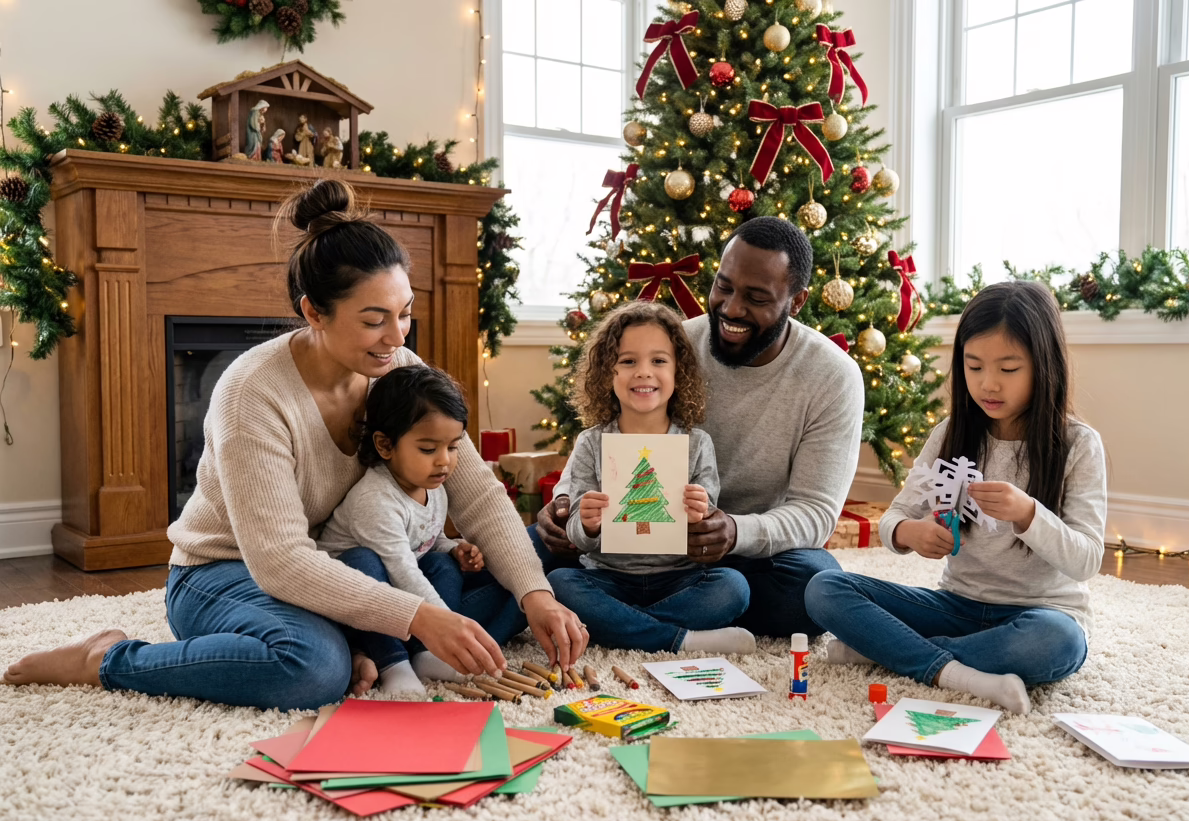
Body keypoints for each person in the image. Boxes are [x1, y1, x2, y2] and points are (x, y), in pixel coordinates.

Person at [2, 179, 587, 709]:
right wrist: (419, 616)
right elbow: (280, 560)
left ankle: (366, 640)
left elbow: (477, 492)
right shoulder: (251, 392)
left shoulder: (398, 365)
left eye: (405, 314)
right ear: (313, 311)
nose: (397, 337)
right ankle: (106, 658)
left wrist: (534, 593)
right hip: (224, 571)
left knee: (533, 581)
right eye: (374, 319)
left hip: (340, 563)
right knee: (309, 670)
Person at [535, 217, 865, 637]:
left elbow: (815, 513)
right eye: (723, 286)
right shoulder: (670, 346)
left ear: (795, 301)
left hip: (732, 552)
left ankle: (617, 617)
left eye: (756, 297)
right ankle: (678, 630)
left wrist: (732, 532)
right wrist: (565, 504)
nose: (730, 309)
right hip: (612, 548)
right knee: (524, 552)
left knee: (814, 585)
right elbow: (603, 438)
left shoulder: (832, 376)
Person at [804, 282, 1107, 714]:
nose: (989, 384)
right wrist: (910, 532)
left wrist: (1027, 514)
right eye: (974, 366)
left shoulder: (1077, 444)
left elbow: (1087, 559)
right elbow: (895, 519)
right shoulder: (951, 433)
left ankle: (894, 651)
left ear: (1044, 366)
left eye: (1008, 368)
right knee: (825, 587)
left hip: (1040, 614)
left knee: (1057, 644)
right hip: (955, 605)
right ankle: (956, 670)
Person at [547, 300, 756, 654]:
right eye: (628, 361)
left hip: (679, 578)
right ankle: (679, 639)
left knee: (734, 588)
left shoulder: (696, 443)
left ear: (679, 373)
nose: (643, 372)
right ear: (606, 373)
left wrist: (700, 513)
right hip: (607, 576)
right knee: (560, 584)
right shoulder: (591, 442)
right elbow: (579, 540)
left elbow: (708, 524)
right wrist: (589, 524)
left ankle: (620, 626)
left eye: (658, 361)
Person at [316, 364, 500, 694]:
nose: (444, 461)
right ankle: (394, 665)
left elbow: (428, 541)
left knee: (443, 564)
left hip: (405, 598)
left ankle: (426, 654)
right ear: (386, 446)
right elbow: (400, 570)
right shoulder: (376, 499)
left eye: (453, 447)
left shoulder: (435, 488)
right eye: (428, 449)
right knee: (363, 562)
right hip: (357, 605)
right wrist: (447, 624)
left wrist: (453, 548)